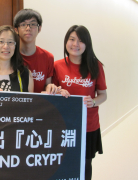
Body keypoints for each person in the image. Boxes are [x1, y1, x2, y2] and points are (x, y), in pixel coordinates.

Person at [52, 25, 107, 180]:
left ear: (87, 44)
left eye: (81, 41)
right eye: (72, 39)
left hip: (87, 124)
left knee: (84, 164)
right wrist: (58, 91)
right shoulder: (57, 66)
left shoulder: (96, 66)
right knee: (63, 162)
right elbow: (51, 92)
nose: (75, 44)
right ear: (66, 41)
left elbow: (103, 95)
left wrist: (94, 102)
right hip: (63, 124)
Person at [13, 9, 59, 94]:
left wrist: (50, 88)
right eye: (23, 24)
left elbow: (47, 86)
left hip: (40, 105)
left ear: (39, 28)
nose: (28, 28)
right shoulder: (10, 55)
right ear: (16, 29)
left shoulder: (47, 57)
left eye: (33, 24)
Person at [0, 25, 34, 92]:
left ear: (15, 46)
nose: (6, 46)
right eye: (1, 42)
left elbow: (30, 102)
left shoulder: (26, 74)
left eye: (10, 42)